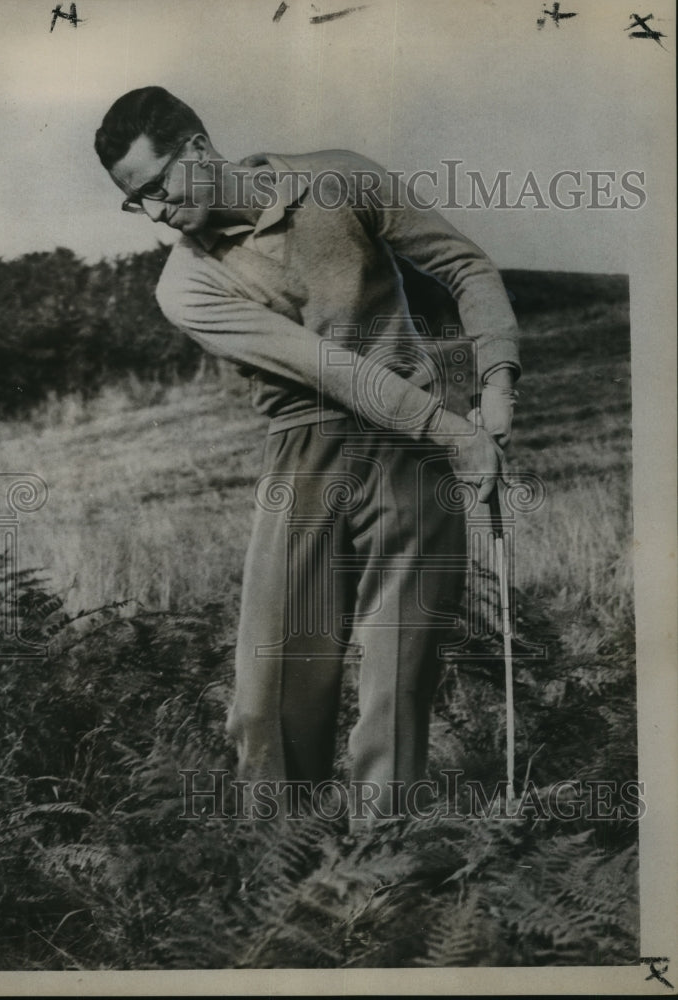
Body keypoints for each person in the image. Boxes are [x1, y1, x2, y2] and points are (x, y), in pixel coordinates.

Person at [95, 86, 520, 819]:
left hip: (410, 454)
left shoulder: (339, 177)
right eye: (139, 205)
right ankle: (286, 882)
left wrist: (498, 386)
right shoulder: (186, 285)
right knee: (270, 698)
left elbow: (466, 268)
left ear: (198, 148)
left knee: (396, 681)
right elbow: (331, 370)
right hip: (306, 453)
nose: (158, 215)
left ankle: (382, 878)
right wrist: (458, 434)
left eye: (159, 189)